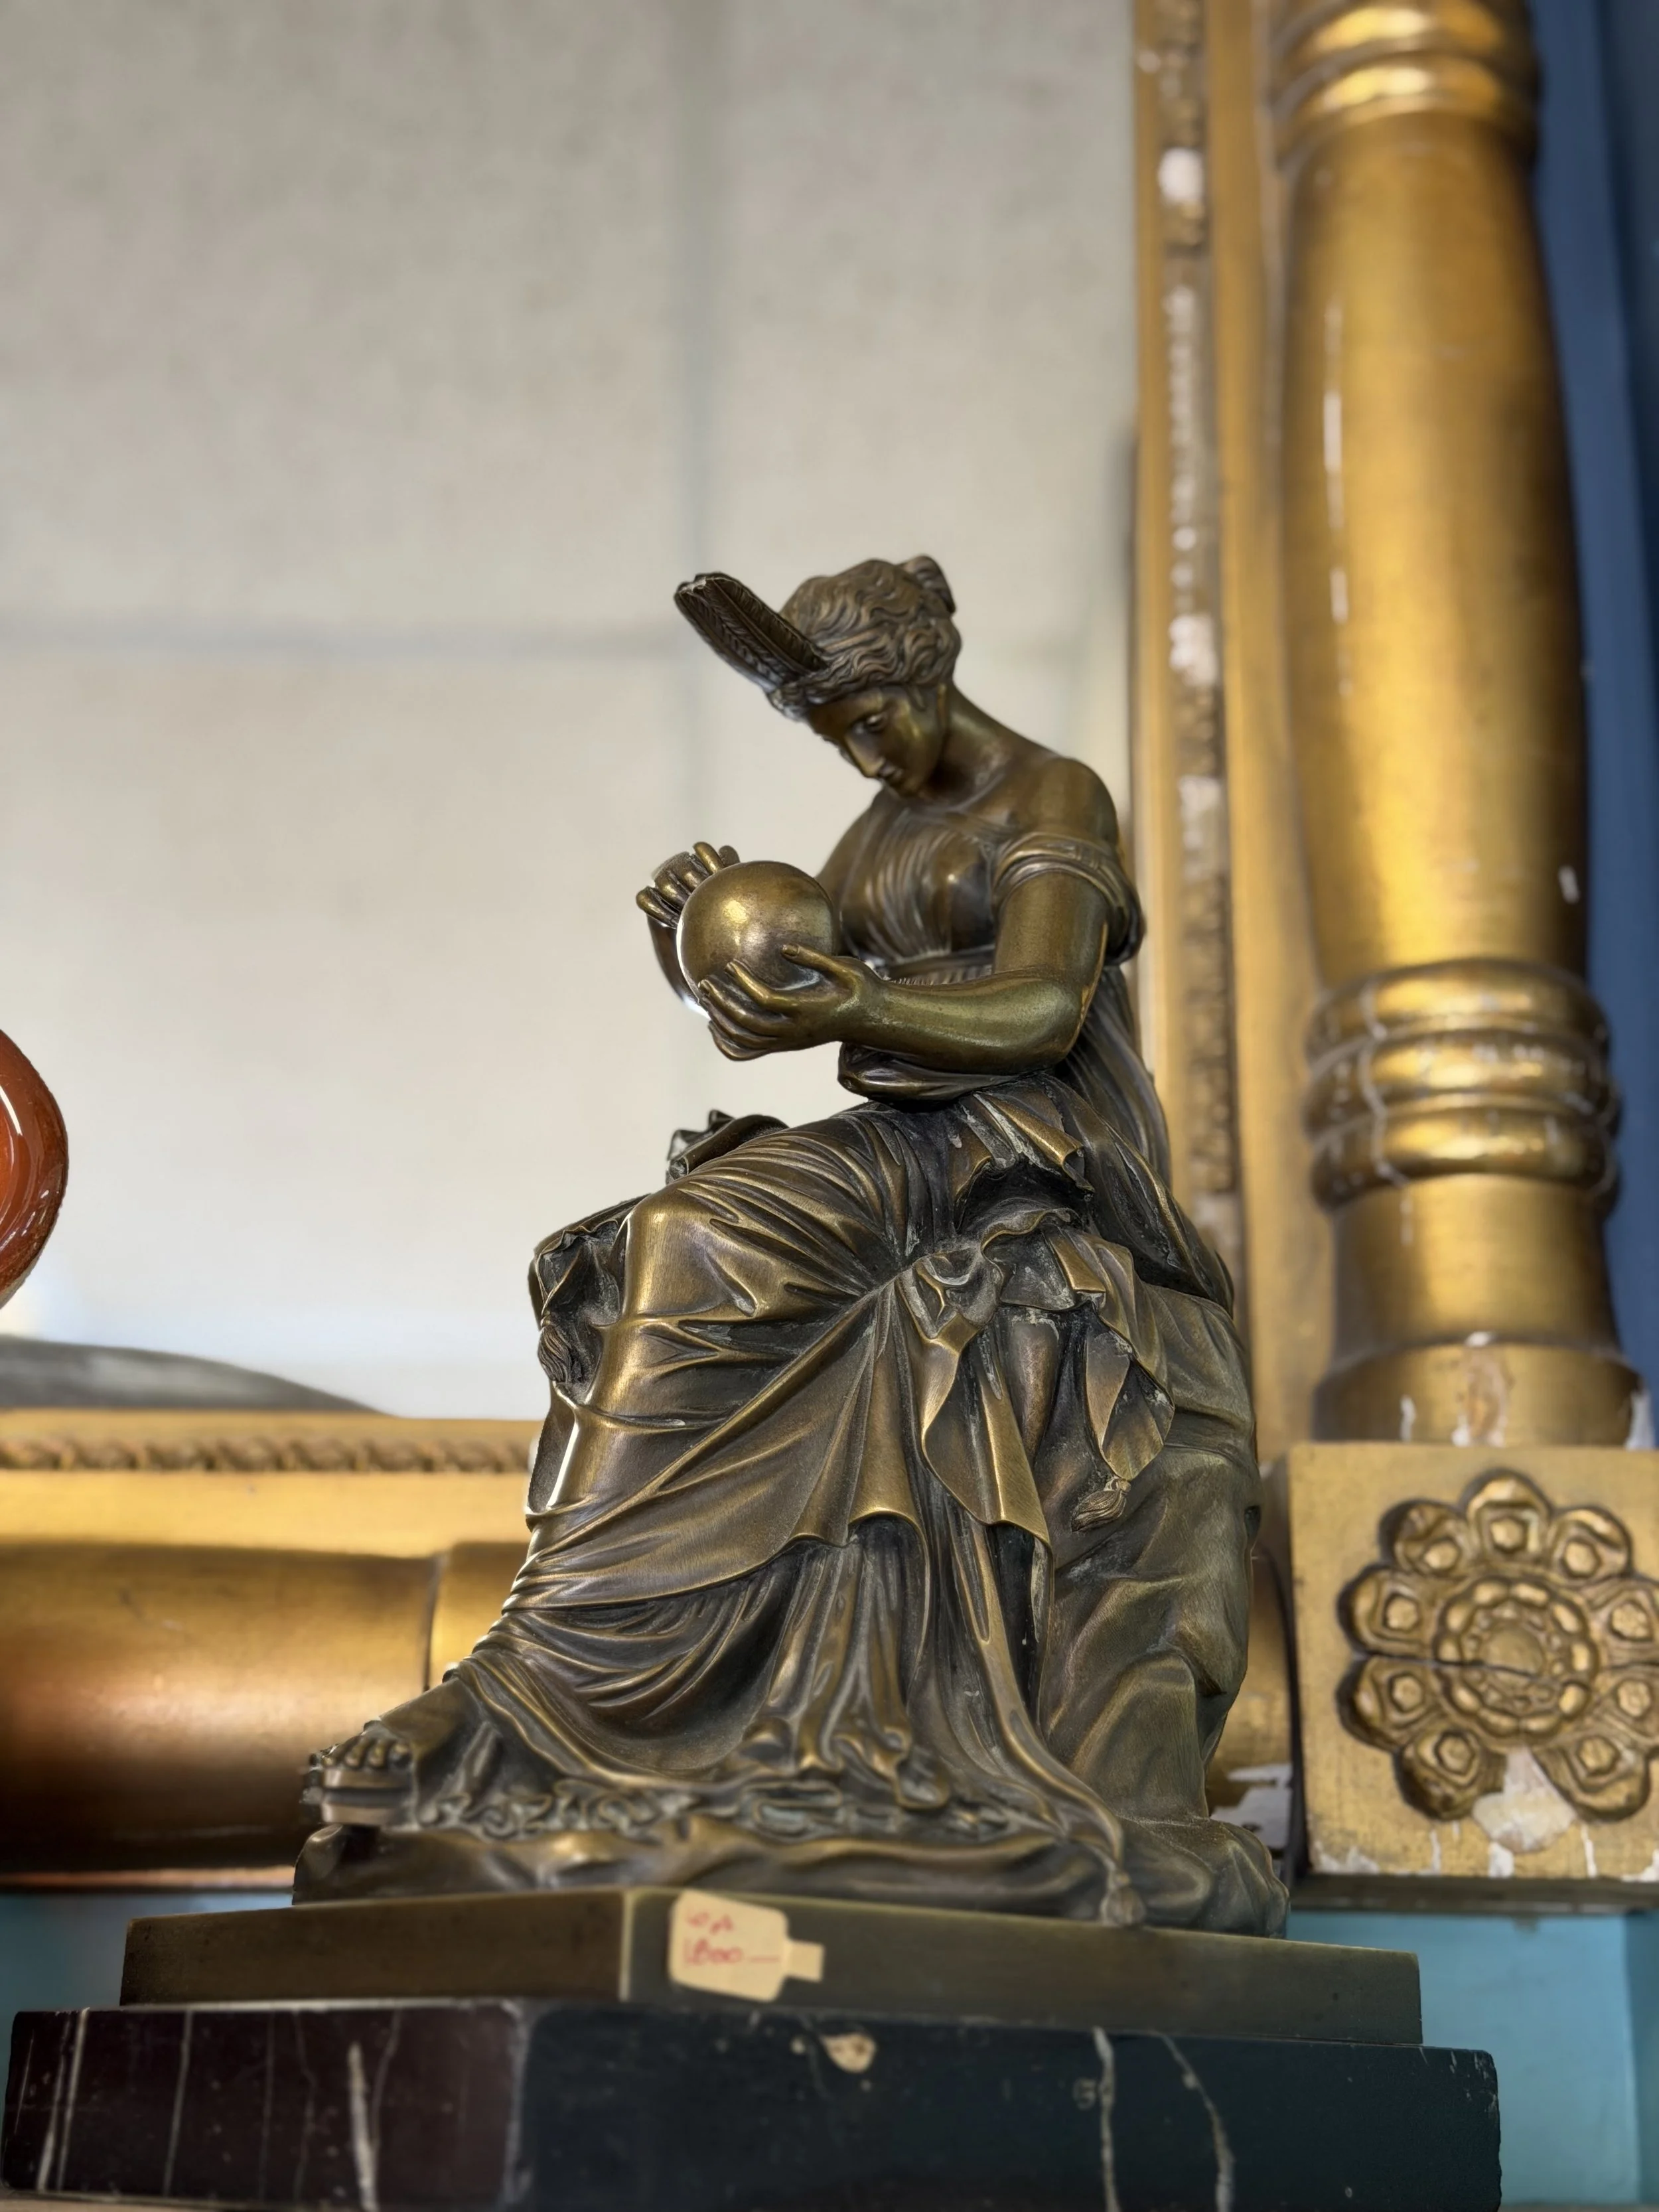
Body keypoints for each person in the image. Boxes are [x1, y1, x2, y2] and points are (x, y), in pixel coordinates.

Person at [301, 555, 1285, 1937]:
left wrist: (856, 994)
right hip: (923, 1155)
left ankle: (540, 1675)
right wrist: (700, 965)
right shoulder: (876, 828)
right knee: (673, 1236)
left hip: (1036, 1159)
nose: (859, 749)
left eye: (872, 716)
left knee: (708, 1235)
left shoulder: (1052, 793)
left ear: (930, 667)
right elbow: (784, 1013)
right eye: (829, 733)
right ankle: (555, 1669)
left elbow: (1043, 1012)